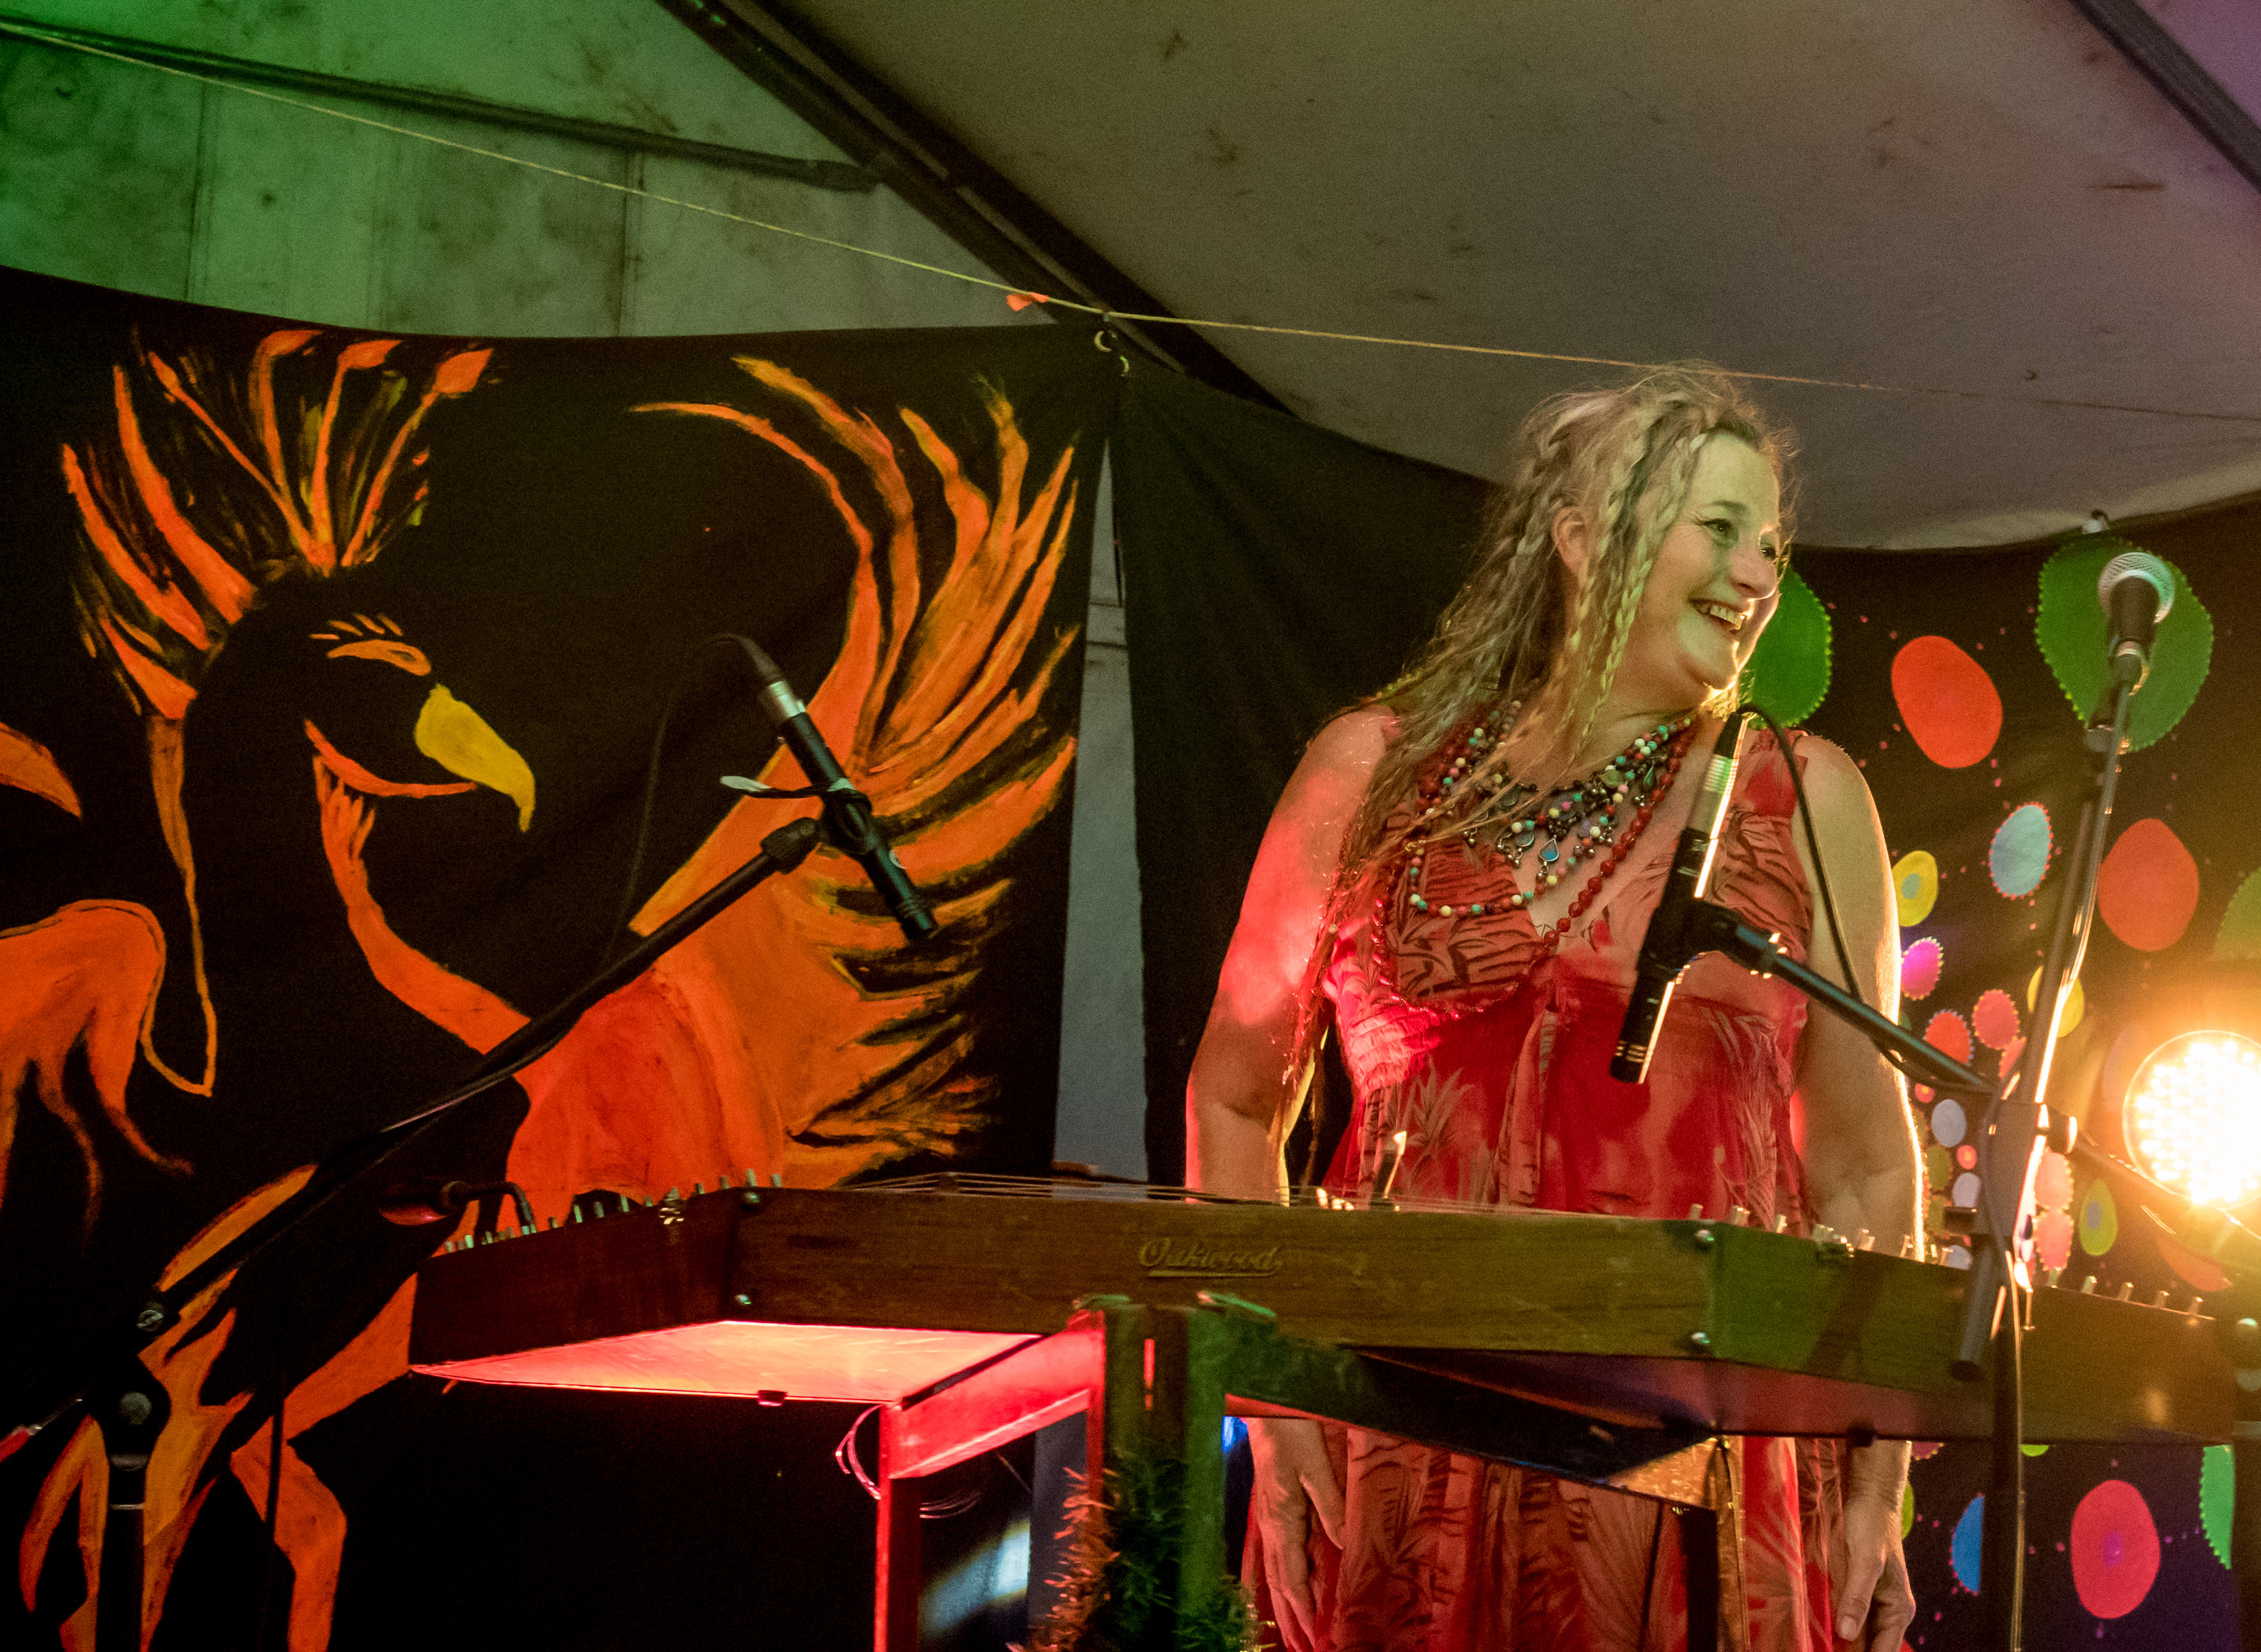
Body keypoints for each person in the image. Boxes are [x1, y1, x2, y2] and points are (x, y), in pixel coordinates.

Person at [1184, 365, 1921, 1652]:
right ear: (1583, 539)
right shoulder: (1373, 774)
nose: (1757, 573)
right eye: (1719, 527)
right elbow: (1233, 1098)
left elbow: (1863, 1163)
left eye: (1771, 543)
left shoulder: (1801, 796)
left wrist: (1878, 1476)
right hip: (1405, 1416)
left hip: (1701, 1440)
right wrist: (1275, 1397)